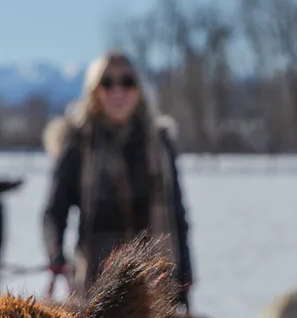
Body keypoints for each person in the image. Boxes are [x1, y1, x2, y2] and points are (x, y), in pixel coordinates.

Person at [42, 52, 193, 304]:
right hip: (98, 287)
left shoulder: (160, 143)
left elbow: (178, 216)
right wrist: (55, 253)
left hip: (157, 284)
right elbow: (54, 212)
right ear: (94, 90)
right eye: (107, 82)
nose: (118, 90)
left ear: (139, 88)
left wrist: (186, 277)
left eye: (127, 81)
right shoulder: (79, 144)